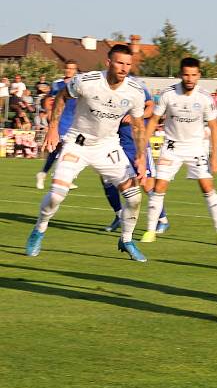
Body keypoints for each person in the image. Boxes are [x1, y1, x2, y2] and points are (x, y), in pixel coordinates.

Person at [25, 45, 148, 261]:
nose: (124, 68)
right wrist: (52, 129)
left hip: (108, 146)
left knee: (135, 198)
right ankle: (39, 230)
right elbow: (62, 96)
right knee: (55, 195)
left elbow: (138, 125)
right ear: (109, 62)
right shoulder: (87, 81)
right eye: (120, 63)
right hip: (77, 143)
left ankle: (126, 240)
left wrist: (141, 157)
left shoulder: (135, 91)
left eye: (128, 64)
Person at [140, 57, 217, 246]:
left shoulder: (205, 98)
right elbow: (154, 121)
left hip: (195, 148)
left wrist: (215, 157)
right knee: (159, 187)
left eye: (193, 75)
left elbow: (214, 126)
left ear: (199, 76)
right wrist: (142, 148)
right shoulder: (168, 94)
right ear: (181, 74)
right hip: (171, 147)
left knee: (207, 186)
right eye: (186, 75)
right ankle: (150, 230)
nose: (189, 79)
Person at [101, 76, 169, 234]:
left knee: (146, 184)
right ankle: (119, 215)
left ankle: (163, 219)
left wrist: (135, 117)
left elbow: (151, 108)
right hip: (115, 143)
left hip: (136, 144)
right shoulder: (108, 86)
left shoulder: (137, 85)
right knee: (107, 180)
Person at [36, 61, 79, 190]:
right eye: (67, 68)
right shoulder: (57, 85)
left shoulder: (78, 84)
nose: (69, 70)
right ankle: (58, 177)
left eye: (72, 68)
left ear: (75, 70)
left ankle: (44, 174)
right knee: (62, 148)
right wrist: (49, 115)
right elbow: (49, 101)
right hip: (60, 120)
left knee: (67, 150)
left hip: (74, 121)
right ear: (64, 69)